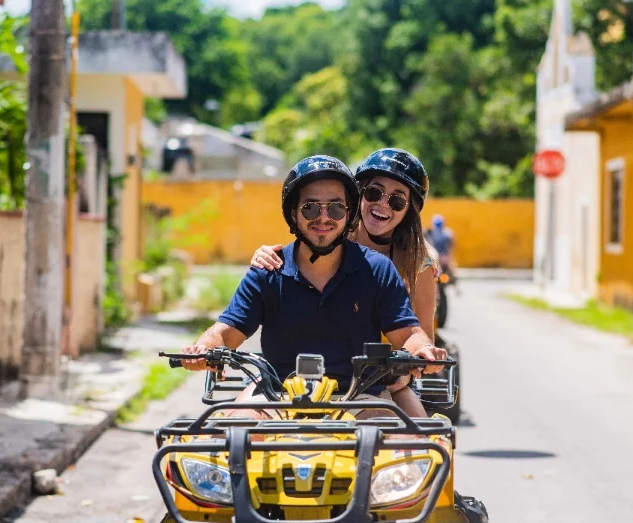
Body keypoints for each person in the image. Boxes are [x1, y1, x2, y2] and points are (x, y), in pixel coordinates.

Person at [178, 155, 447, 418]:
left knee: (416, 448)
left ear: (347, 212)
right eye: (310, 208)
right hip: (276, 393)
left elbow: (411, 333)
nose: (323, 218)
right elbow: (226, 332)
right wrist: (202, 348)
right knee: (229, 437)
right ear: (292, 213)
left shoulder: (385, 268)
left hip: (363, 392)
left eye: (335, 208)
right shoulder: (269, 269)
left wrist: (421, 351)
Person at [249, 148, 438, 408]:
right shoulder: (334, 233)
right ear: (357, 194)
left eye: (396, 201)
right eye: (374, 192)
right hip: (310, 370)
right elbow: (300, 252)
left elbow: (421, 334)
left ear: (409, 210)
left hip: (382, 375)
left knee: (417, 439)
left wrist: (405, 371)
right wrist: (266, 256)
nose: (382, 204)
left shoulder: (420, 261)